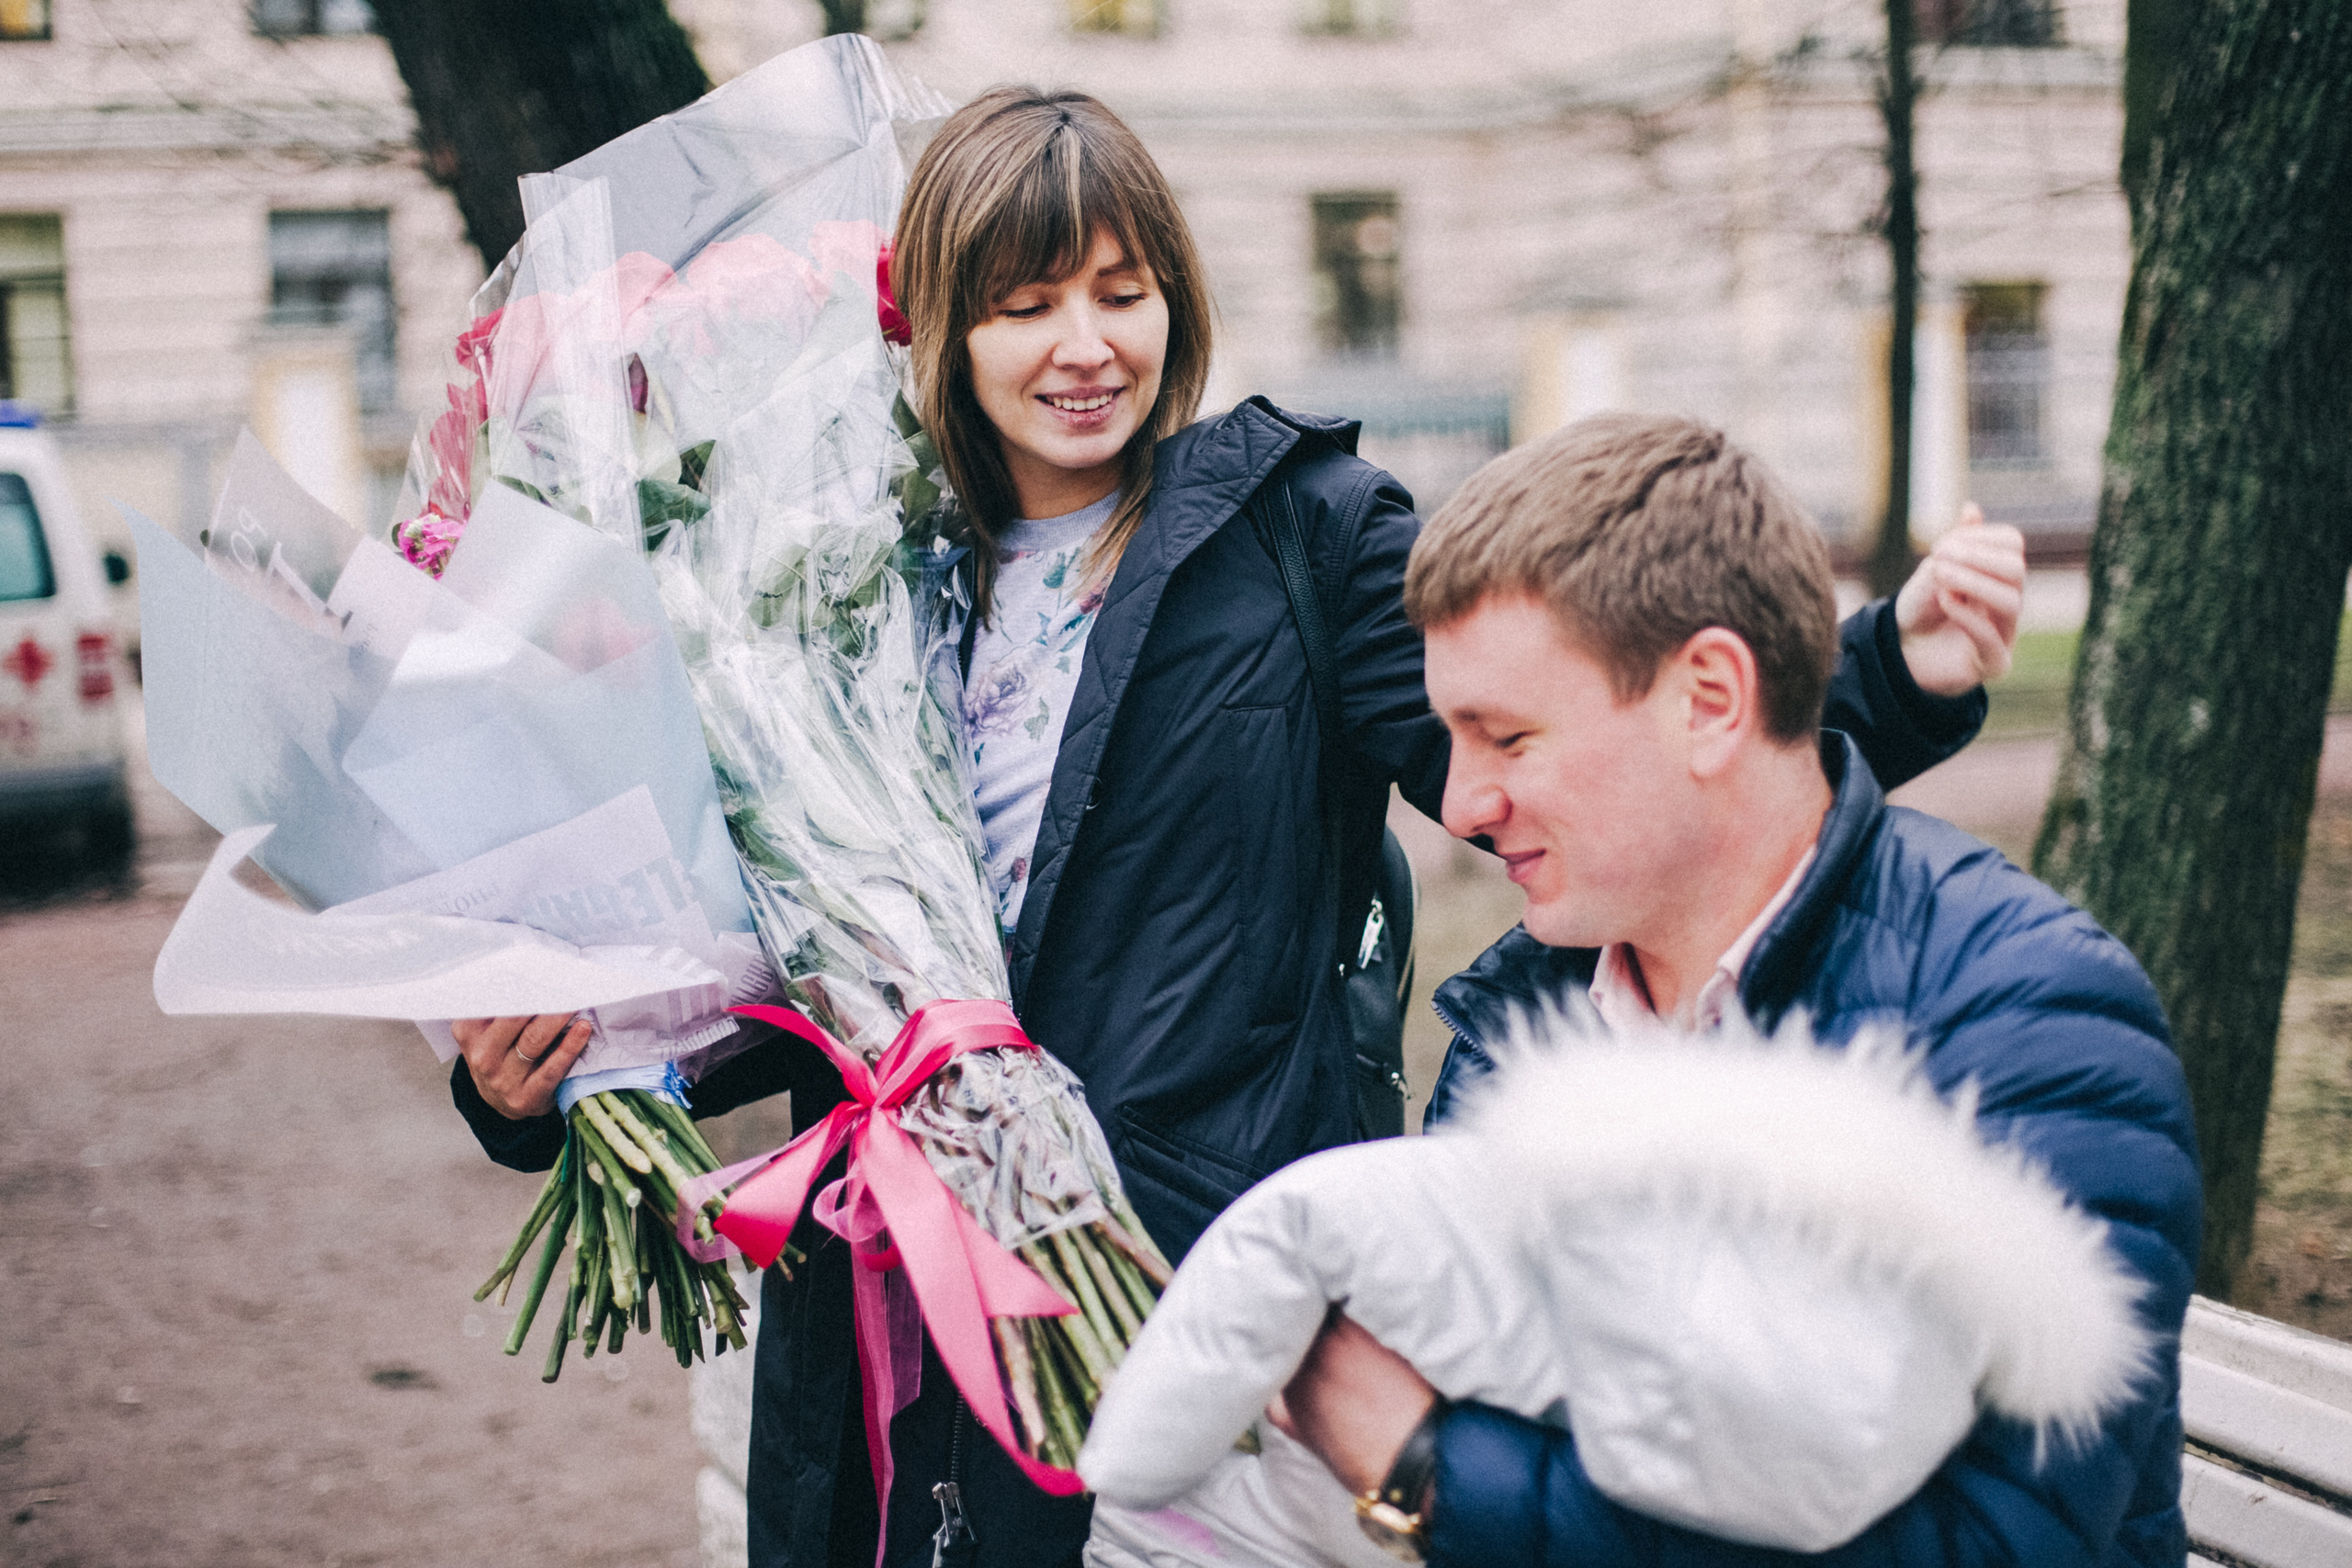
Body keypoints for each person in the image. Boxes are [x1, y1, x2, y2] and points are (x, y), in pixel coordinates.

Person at [447, 92, 2026, 1568]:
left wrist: (1888, 672)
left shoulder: (1298, 535)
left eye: (1121, 291)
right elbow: (789, 962)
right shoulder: (846, 579)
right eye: (1025, 304)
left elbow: (1564, 751)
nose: (1086, 346)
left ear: (1176, 299)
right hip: (888, 1312)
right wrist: (558, 1072)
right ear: (937, 325)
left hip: (1198, 1288)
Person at [1269, 412, 2200, 1567]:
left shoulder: (2028, 1017)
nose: (1459, 804)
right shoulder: (1528, 1025)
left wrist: (1422, 1467)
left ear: (1709, 700)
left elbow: (1997, 1547)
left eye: (1505, 738)